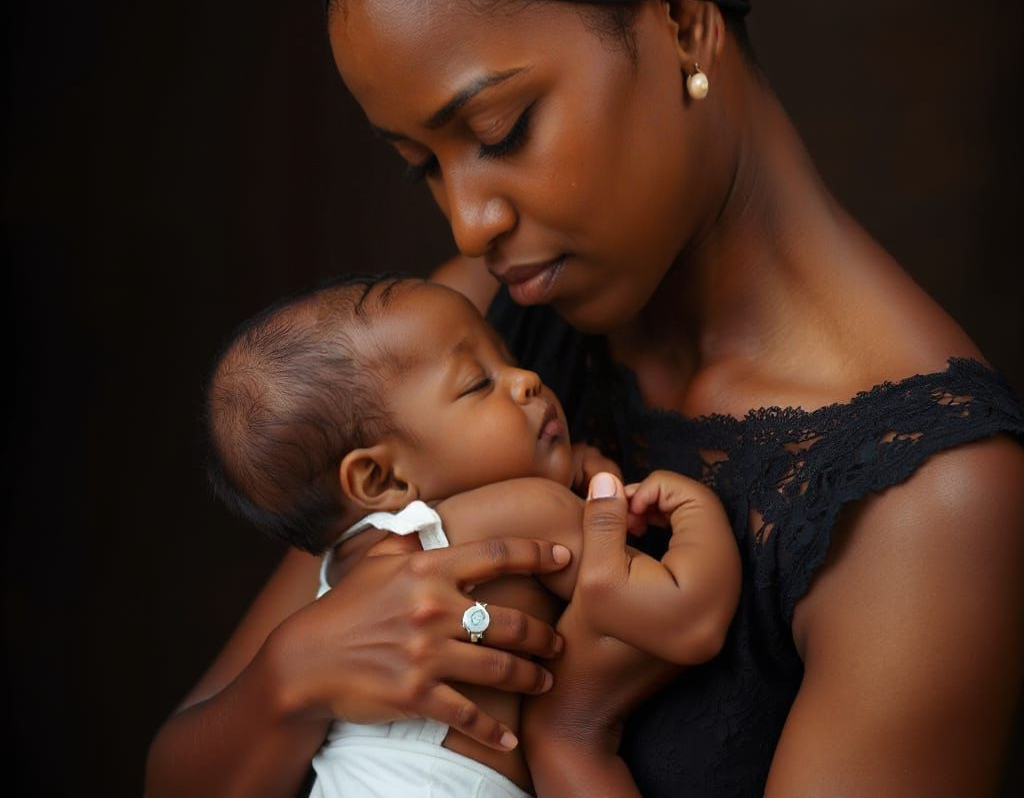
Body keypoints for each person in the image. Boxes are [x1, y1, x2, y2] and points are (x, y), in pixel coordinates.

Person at [146, 0, 1024, 796]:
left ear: (681, 25)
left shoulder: (928, 506)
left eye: (498, 132)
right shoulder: (478, 322)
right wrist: (291, 680)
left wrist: (572, 738)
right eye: (422, 165)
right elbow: (184, 771)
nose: (470, 221)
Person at [204, 271, 740, 797]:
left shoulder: (344, 568)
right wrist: (698, 509)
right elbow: (688, 619)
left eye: (507, 356)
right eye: (479, 383)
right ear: (381, 478)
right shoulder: (531, 509)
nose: (525, 377)